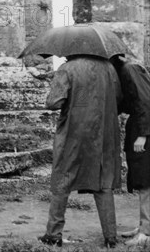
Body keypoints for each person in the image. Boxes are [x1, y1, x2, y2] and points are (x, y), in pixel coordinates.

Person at [39, 55, 122, 249]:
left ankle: (53, 234)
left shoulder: (67, 69)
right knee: (103, 183)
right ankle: (110, 238)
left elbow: (53, 103)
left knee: (62, 180)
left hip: (73, 132)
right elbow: (118, 99)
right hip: (103, 132)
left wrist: (55, 86)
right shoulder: (109, 68)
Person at [110, 55, 150, 247]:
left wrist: (143, 134)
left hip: (144, 130)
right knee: (141, 178)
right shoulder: (127, 70)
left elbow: (144, 101)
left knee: (145, 180)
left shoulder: (129, 70)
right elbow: (131, 102)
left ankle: (146, 231)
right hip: (139, 126)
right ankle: (144, 224)